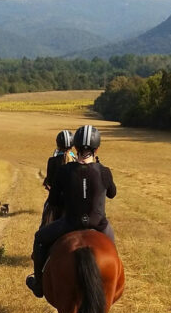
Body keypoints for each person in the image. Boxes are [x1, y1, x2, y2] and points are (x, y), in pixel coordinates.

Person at [27, 124, 117, 298]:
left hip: (69, 223)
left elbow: (53, 201)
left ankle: (38, 284)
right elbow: (112, 194)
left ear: (75, 147)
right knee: (112, 251)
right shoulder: (104, 171)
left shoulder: (63, 171)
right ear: (97, 148)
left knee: (40, 239)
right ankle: (116, 285)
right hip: (99, 225)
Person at [40, 129, 75, 226]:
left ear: (58, 144)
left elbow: (50, 182)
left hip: (56, 202)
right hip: (74, 202)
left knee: (42, 231)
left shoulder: (52, 161)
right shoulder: (77, 160)